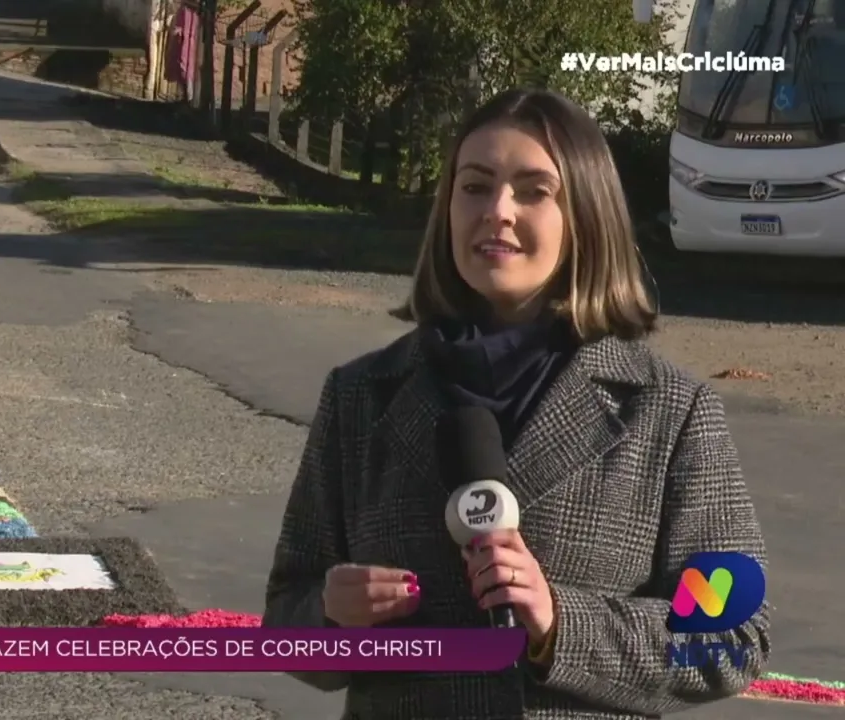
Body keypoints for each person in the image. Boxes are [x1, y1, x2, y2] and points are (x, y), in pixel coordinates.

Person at [262, 88, 771, 719]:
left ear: (585, 215)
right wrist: (329, 617)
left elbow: (733, 639)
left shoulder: (671, 411)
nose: (497, 211)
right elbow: (287, 617)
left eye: (534, 190)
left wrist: (560, 622)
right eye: (475, 186)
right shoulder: (362, 394)